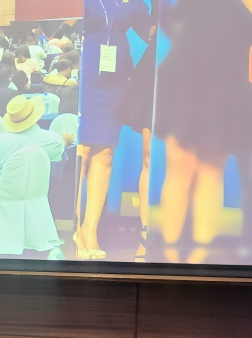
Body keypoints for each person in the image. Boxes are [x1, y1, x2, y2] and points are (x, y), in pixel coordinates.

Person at [154, 0, 252, 263]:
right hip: (184, 76)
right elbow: (169, 20)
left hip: (225, 84)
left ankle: (200, 253)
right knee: (180, 166)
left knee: (211, 169)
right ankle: (169, 253)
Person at [75, 0, 153, 260]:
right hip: (86, 71)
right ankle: (77, 229)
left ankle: (90, 230)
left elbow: (152, 34)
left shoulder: (135, 4)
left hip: (116, 76)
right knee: (84, 151)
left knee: (105, 153)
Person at [0, 95, 72, 259]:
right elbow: (59, 148)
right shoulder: (51, 139)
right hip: (33, 193)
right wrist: (65, 140)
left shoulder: (1, 140)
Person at [116, 0, 158, 261]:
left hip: (194, 66)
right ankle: (145, 234)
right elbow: (145, 27)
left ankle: (186, 233)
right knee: (149, 158)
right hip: (156, 68)